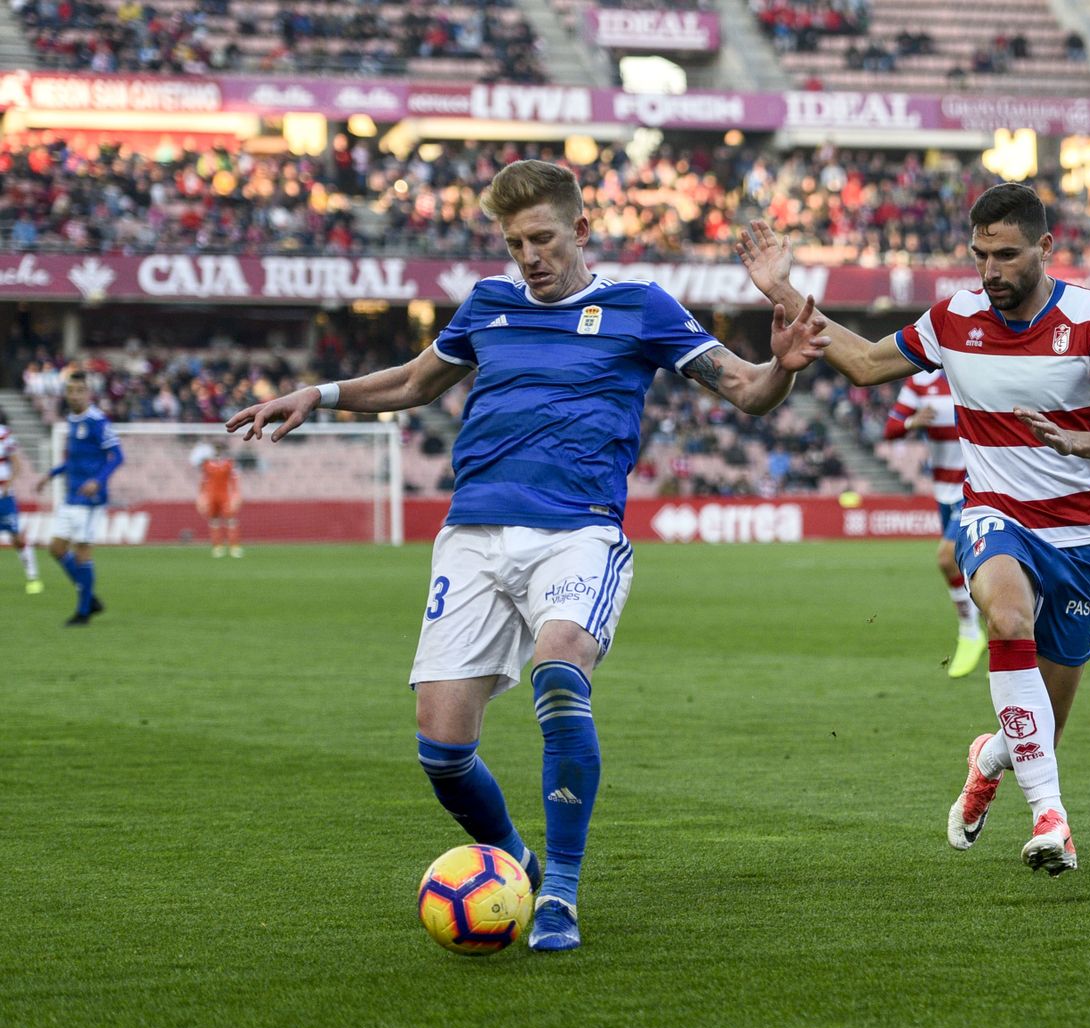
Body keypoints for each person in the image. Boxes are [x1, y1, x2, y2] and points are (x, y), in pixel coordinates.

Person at [227, 159, 830, 952]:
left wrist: (782, 366)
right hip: (474, 534)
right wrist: (324, 394)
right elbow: (414, 382)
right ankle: (514, 860)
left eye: (543, 238)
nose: (530, 256)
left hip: (577, 531)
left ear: (581, 230)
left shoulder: (639, 308)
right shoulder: (487, 305)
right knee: (441, 750)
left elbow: (747, 391)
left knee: (558, 670)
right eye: (516, 243)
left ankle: (562, 897)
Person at [738, 183, 1090, 878]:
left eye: (1007, 255)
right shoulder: (954, 318)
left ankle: (991, 757)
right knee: (1008, 615)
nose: (990, 270)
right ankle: (1051, 817)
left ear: (1046, 248)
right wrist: (783, 291)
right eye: (980, 254)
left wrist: (1074, 444)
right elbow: (867, 363)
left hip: (1080, 536)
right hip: (993, 515)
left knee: (1042, 725)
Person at [881, 369, 984, 678]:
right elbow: (890, 428)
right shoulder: (920, 383)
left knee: (946, 557)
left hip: (978, 485)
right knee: (975, 567)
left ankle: (969, 631)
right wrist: (913, 422)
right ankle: (1007, 643)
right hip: (944, 490)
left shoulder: (977, 370)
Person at [35, 372, 122, 625]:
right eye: (70, 390)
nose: (74, 394)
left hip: (91, 499)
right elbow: (73, 460)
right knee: (56, 548)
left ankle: (83, 613)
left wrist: (98, 481)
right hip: (71, 496)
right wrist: (50, 475)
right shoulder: (73, 419)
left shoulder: (98, 421)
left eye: (79, 390)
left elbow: (117, 456)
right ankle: (89, 597)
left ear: (88, 393)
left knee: (82, 550)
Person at [0, 410, 44, 594]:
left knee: (16, 537)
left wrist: (8, 485)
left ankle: (33, 576)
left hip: (3, 495)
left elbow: (17, 463)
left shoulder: (4, 434)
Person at [196, 439, 243, 558]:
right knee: (214, 521)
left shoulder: (229, 464)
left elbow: (234, 481)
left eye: (219, 450)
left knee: (231, 520)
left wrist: (236, 495)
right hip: (212, 496)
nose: (217, 452)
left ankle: (234, 547)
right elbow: (204, 481)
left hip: (225, 496)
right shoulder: (207, 464)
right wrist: (201, 496)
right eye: (216, 450)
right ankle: (218, 547)